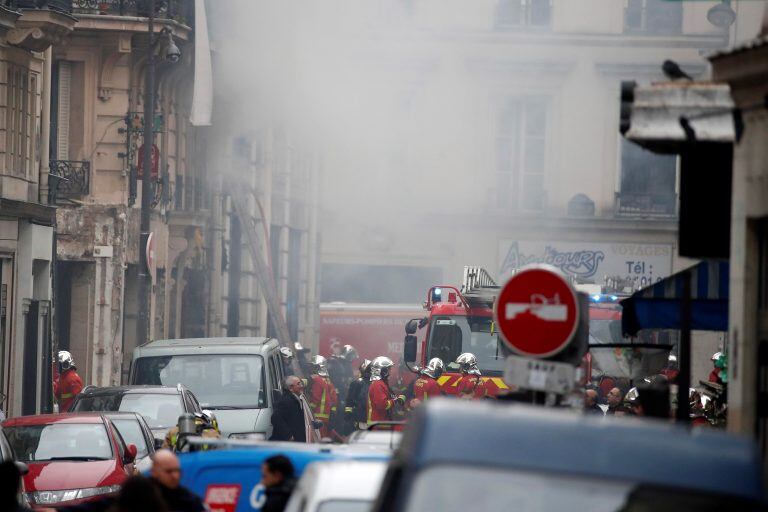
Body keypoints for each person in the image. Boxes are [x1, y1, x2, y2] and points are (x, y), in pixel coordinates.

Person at [55, 450, 205, 512]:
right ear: (155, 471)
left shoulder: (186, 499)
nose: (175, 476)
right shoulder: (139, 490)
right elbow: (101, 504)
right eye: (169, 471)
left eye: (177, 471)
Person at [271, 376, 319, 443]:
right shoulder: (286, 401)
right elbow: (275, 418)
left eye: (301, 383)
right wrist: (289, 436)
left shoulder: (297, 399)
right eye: (298, 384)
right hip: (286, 445)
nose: (302, 386)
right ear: (290, 388)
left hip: (296, 443)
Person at [308, 355, 338, 439]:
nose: (311, 369)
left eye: (313, 367)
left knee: (318, 438)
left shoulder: (318, 380)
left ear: (319, 367)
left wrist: (307, 409)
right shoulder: (327, 380)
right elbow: (334, 399)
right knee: (324, 437)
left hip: (317, 415)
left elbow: (315, 399)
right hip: (325, 415)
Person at [367, 356, 405, 423]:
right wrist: (395, 401)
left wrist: (397, 399)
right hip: (377, 424)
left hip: (381, 421)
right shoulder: (377, 385)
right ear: (383, 371)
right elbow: (383, 405)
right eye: (389, 369)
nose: (390, 371)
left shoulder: (381, 383)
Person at [344, 359, 371, 432]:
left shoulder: (356, 383)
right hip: (370, 418)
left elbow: (350, 400)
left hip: (359, 418)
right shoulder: (375, 384)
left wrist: (348, 414)